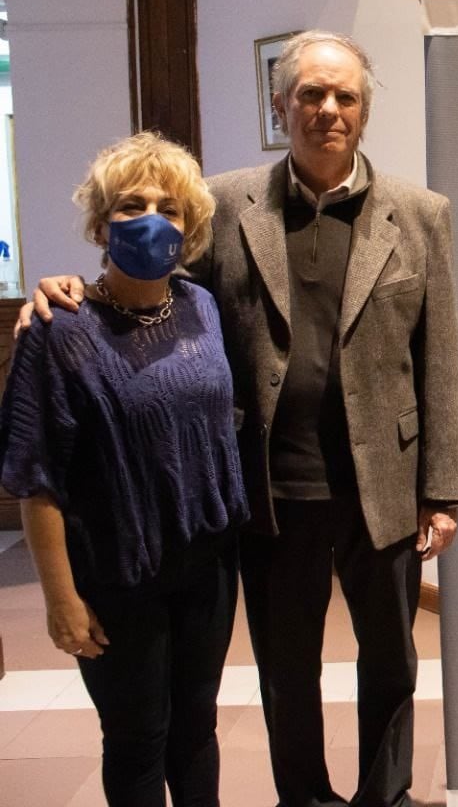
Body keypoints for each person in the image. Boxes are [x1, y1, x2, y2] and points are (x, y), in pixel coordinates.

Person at [27, 31, 458, 807]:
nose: (328, 110)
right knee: (286, 667)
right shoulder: (227, 204)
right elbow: (149, 287)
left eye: (345, 96)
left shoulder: (421, 213)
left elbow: (441, 357)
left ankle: (385, 795)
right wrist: (63, 285)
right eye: (310, 94)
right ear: (281, 105)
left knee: (392, 662)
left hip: (388, 488)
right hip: (268, 492)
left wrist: (444, 489)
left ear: (364, 111)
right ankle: (303, 795)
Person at [0, 133, 245, 806]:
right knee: (138, 738)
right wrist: (59, 600)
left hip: (206, 567)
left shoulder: (201, 308)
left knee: (197, 729)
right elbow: (36, 476)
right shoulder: (61, 330)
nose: (150, 218)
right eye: (130, 204)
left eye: (168, 206)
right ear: (101, 223)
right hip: (115, 571)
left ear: (189, 225)